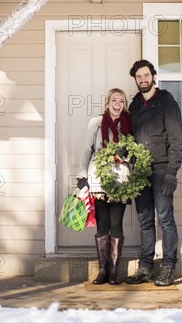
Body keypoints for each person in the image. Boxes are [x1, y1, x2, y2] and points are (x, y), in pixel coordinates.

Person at [125, 59, 182, 287]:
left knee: (166, 220)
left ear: (153, 76)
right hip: (141, 173)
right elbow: (130, 138)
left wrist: (172, 171)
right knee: (145, 221)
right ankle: (145, 267)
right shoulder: (134, 106)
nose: (143, 80)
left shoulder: (166, 100)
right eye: (138, 77)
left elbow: (176, 138)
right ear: (136, 79)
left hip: (161, 171)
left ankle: (168, 267)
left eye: (146, 75)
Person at [76, 88, 132, 285]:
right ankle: (103, 271)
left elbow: (133, 152)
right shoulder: (96, 123)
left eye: (121, 101)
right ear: (108, 102)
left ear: (124, 104)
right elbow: (86, 149)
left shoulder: (128, 123)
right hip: (98, 179)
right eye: (114, 100)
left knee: (116, 224)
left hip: (120, 180)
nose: (118, 104)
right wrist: (81, 175)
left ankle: (114, 272)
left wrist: (126, 154)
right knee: (103, 225)